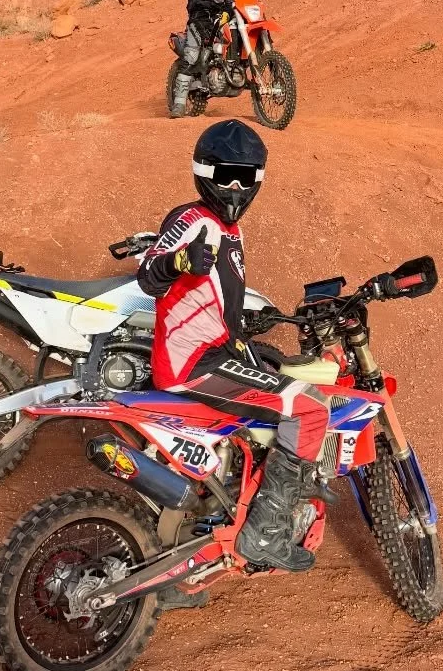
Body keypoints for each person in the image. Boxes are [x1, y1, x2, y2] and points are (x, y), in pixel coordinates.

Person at [137, 119, 331, 572]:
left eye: (247, 177)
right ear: (205, 173)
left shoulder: (229, 231)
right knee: (310, 411)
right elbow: (148, 275)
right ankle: (264, 534)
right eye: (228, 176)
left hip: (214, 354)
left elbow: (213, 303)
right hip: (193, 365)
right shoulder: (193, 220)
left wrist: (244, 334)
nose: (238, 187)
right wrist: (178, 261)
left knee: (282, 378)